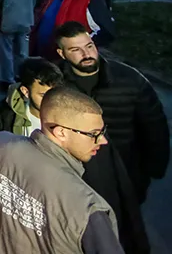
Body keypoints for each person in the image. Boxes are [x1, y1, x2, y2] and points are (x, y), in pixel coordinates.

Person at [0, 87, 120, 253]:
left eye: (103, 131)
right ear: (61, 132)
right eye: (94, 134)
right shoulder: (87, 208)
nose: (103, 140)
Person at [54, 21, 169, 203]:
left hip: (125, 173)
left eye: (89, 46)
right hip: (76, 177)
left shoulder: (130, 80)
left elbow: (154, 127)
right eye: (75, 50)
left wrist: (154, 169)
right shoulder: (55, 83)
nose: (86, 54)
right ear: (62, 53)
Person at [0, 57, 63, 136]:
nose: (51, 100)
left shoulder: (69, 115)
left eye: (54, 94)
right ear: (26, 92)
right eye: (43, 95)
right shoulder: (6, 117)